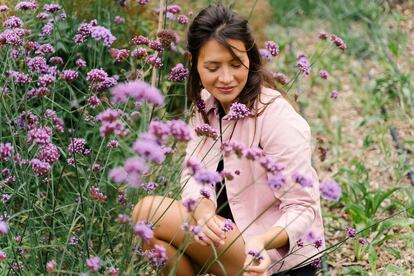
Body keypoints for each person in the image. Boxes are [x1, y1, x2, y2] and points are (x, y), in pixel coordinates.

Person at [132, 4, 325, 276]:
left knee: (147, 211)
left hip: (273, 260)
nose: (225, 78)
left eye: (236, 65)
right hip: (230, 242)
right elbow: (194, 173)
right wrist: (203, 210)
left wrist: (262, 241)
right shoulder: (206, 108)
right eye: (212, 67)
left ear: (250, 59)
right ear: (195, 64)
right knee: (154, 240)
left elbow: (302, 207)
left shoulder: (275, 115)